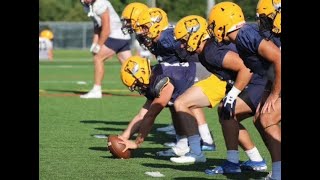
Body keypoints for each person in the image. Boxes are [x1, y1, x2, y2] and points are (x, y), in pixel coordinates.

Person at [172, 15, 267, 170]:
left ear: (195, 35)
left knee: (227, 112)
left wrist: (232, 94)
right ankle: (255, 160)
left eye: (184, 40)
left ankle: (233, 162)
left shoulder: (210, 52)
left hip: (258, 81)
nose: (182, 46)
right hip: (254, 81)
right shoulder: (205, 51)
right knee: (228, 116)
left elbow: (245, 67)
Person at [206, 2, 281, 179]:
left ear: (222, 23)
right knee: (260, 117)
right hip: (272, 81)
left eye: (213, 24)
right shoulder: (242, 38)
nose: (262, 22)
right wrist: (267, 91)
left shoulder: (245, 35)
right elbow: (268, 67)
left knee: (268, 118)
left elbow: (278, 59)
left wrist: (274, 94)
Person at [118, 56, 206, 163]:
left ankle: (198, 149)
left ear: (142, 74)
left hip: (207, 76)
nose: (138, 87)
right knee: (175, 105)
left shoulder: (161, 80)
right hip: (199, 74)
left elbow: (151, 115)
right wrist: (124, 137)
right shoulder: (153, 78)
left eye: (137, 83)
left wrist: (137, 143)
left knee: (180, 104)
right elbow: (142, 115)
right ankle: (182, 147)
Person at [80, 0, 132, 99]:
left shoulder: (100, 3)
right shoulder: (87, 5)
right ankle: (152, 87)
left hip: (115, 35)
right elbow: (97, 25)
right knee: (130, 67)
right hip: (120, 36)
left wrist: (98, 45)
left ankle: (96, 90)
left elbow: (106, 28)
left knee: (98, 58)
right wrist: (94, 43)